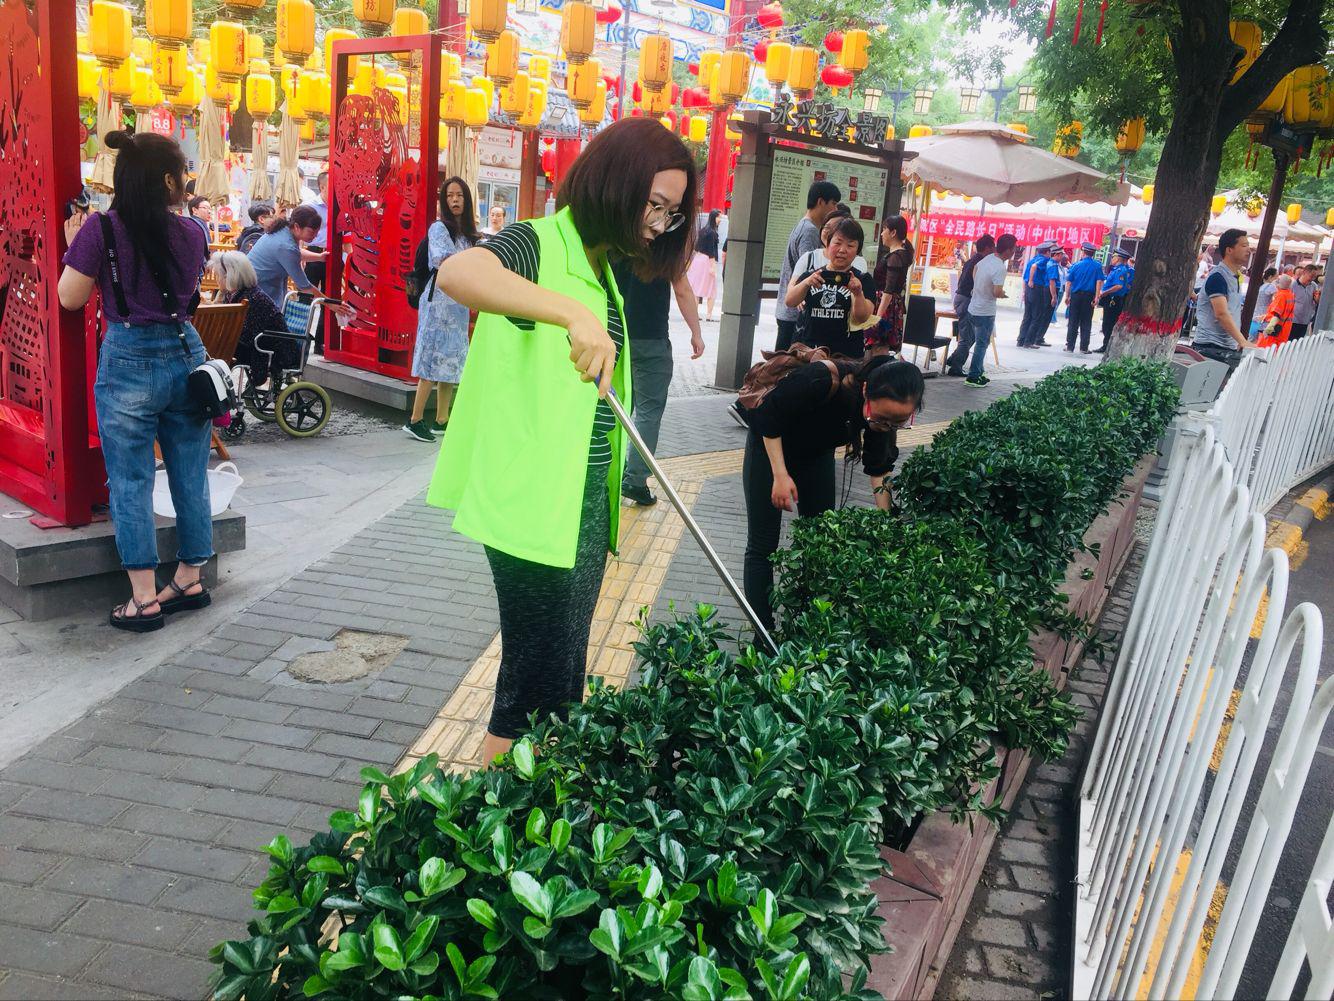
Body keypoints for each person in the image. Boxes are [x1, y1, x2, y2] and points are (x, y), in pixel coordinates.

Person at [427, 118, 697, 765]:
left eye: (673, 213)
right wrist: (570, 312)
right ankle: (488, 809)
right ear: (617, 181)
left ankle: (536, 803)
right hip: (535, 504)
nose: (661, 224)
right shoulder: (539, 243)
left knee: (560, 675)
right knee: (534, 685)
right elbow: (458, 273)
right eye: (655, 204)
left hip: (582, 500)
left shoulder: (601, 265)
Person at [57, 131, 213, 633]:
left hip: (129, 357)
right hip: (187, 354)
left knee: (130, 479)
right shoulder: (193, 232)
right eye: (182, 174)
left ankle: (144, 600)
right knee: (191, 472)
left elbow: (69, 298)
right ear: (166, 179)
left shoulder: (100, 228)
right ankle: (189, 579)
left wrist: (73, 247)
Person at [742, 357, 924, 630]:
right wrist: (780, 476)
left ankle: (809, 625)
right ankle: (763, 634)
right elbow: (767, 418)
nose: (885, 426)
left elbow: (879, 469)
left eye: (898, 422)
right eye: (880, 418)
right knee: (763, 545)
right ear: (866, 390)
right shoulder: (821, 380)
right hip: (770, 450)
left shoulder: (883, 421)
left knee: (821, 540)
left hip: (816, 456)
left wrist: (887, 524)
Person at [614, 258, 705, 506]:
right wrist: (696, 333)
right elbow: (683, 290)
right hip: (651, 339)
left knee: (617, 408)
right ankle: (635, 481)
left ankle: (610, 474)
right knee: (648, 413)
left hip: (615, 334)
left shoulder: (618, 239)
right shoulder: (666, 245)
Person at [403, 177, 481, 443]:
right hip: (437, 303)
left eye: (459, 195)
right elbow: (443, 259)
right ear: (444, 201)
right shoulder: (438, 228)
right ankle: (415, 420)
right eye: (450, 196)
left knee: (451, 362)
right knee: (430, 360)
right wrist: (475, 258)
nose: (455, 200)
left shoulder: (469, 234)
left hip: (458, 304)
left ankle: (442, 419)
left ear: (467, 199)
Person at [207, 250, 301, 389]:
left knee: (213, 350)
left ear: (229, 276)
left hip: (273, 351)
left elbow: (245, 335)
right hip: (257, 345)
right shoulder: (237, 293)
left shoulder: (252, 298)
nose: (217, 279)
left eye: (218, 275)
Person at [784, 217, 876, 359]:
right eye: (837, 243)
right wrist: (806, 283)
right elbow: (790, 301)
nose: (842, 250)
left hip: (846, 357)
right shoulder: (812, 275)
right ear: (827, 244)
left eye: (850, 245)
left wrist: (858, 294)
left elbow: (862, 318)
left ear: (857, 250)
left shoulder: (863, 280)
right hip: (810, 352)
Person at [774, 180, 842, 351]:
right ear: (821, 202)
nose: (835, 209)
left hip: (788, 312)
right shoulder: (810, 231)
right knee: (787, 362)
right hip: (796, 315)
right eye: (833, 204)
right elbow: (810, 270)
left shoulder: (804, 225)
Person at [1191, 228, 1257, 371]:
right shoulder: (1218, 277)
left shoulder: (1234, 276)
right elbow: (1221, 313)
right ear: (1229, 250)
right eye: (1244, 245)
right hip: (1210, 348)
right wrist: (1242, 341)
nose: (1248, 249)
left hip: (1225, 347)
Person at [962, 233, 1016, 388]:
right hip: (985, 312)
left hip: (973, 308)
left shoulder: (989, 258)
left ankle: (979, 372)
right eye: (1014, 249)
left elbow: (975, 269)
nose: (1014, 252)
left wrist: (978, 286)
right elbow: (996, 292)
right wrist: (1003, 294)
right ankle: (973, 376)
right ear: (1008, 250)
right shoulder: (1000, 267)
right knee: (981, 345)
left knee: (977, 342)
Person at [248, 205, 322, 310]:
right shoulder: (286, 246)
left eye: (317, 232)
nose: (315, 235)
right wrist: (330, 303)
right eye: (311, 232)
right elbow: (304, 286)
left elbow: (295, 253)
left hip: (258, 287)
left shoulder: (283, 231)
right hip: (258, 292)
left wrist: (320, 257)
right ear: (296, 226)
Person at [945, 234, 996, 377]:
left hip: (963, 299)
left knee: (971, 335)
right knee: (967, 336)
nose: (994, 250)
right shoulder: (980, 263)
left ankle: (954, 358)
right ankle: (955, 366)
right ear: (987, 248)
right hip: (967, 300)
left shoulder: (973, 260)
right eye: (993, 247)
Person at [870, 215, 913, 354]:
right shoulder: (900, 254)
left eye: (884, 229)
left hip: (886, 306)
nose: (882, 233)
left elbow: (888, 290)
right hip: (890, 305)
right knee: (880, 346)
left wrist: (878, 316)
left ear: (893, 232)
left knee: (879, 345)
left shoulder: (895, 257)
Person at [790, 208, 870, 278]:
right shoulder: (809, 259)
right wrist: (807, 282)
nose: (829, 232)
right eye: (827, 227)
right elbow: (792, 289)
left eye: (850, 245)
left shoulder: (859, 264)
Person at [1064, 242, 1105, 354]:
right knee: (1086, 322)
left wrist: (1067, 296)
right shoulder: (1097, 266)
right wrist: (1096, 297)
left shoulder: (1076, 265)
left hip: (1076, 296)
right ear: (1093, 254)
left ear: (1083, 252)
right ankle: (1084, 348)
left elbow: (1069, 282)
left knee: (1073, 321)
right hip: (1089, 296)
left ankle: (1070, 347)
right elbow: (1099, 281)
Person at [1017, 242, 1057, 348]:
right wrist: (1031, 280)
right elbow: (1034, 267)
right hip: (1037, 288)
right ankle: (1028, 342)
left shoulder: (1032, 259)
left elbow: (1025, 276)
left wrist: (1025, 290)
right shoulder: (1044, 260)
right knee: (1036, 316)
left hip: (1029, 289)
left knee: (1027, 316)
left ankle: (1021, 340)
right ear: (1047, 252)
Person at [1094, 248, 1133, 353]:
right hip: (1110, 299)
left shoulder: (1121, 270)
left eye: (1113, 257)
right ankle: (1106, 345)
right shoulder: (1117, 269)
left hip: (1114, 299)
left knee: (1108, 324)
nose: (1111, 259)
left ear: (1118, 258)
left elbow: (1118, 286)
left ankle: (1106, 346)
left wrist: (1105, 292)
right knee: (1106, 324)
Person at [686, 208, 722, 321]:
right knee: (712, 290)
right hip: (707, 261)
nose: (720, 220)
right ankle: (709, 315)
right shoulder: (712, 233)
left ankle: (695, 314)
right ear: (714, 218)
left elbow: (696, 247)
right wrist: (713, 267)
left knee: (696, 289)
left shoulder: (702, 231)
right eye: (719, 217)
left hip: (698, 260)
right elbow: (711, 251)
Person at [305, 169, 330, 288]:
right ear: (322, 187)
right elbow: (298, 232)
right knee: (307, 292)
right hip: (313, 253)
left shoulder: (341, 207)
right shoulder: (309, 206)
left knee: (331, 292)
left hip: (333, 254)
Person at [1256, 273, 1296, 346]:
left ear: (1279, 283)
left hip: (1274, 330)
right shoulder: (1290, 295)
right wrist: (1265, 316)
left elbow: (1277, 314)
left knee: (1265, 349)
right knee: (1277, 349)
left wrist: (1268, 329)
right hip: (1284, 329)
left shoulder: (1281, 296)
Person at [1290, 264, 1320, 340]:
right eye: (1311, 276)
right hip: (1292, 320)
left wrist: (1317, 299)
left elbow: (1317, 302)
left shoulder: (1314, 286)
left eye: (1315, 277)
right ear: (1304, 272)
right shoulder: (1293, 285)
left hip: (1305, 321)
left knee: (1299, 342)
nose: (1313, 279)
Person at [1249, 267, 1278, 338]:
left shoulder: (1258, 285)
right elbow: (1277, 299)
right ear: (1270, 277)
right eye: (1276, 277)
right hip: (1264, 316)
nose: (1277, 279)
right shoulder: (1271, 286)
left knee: (1251, 338)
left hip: (1254, 314)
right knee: (1261, 339)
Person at [1049, 249, 1069, 328]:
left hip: (1062, 289)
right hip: (1056, 288)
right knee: (1054, 304)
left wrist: (1069, 265)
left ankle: (1051, 318)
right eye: (1065, 260)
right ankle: (1054, 320)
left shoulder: (1065, 269)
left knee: (1057, 305)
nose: (1066, 262)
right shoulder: (1056, 267)